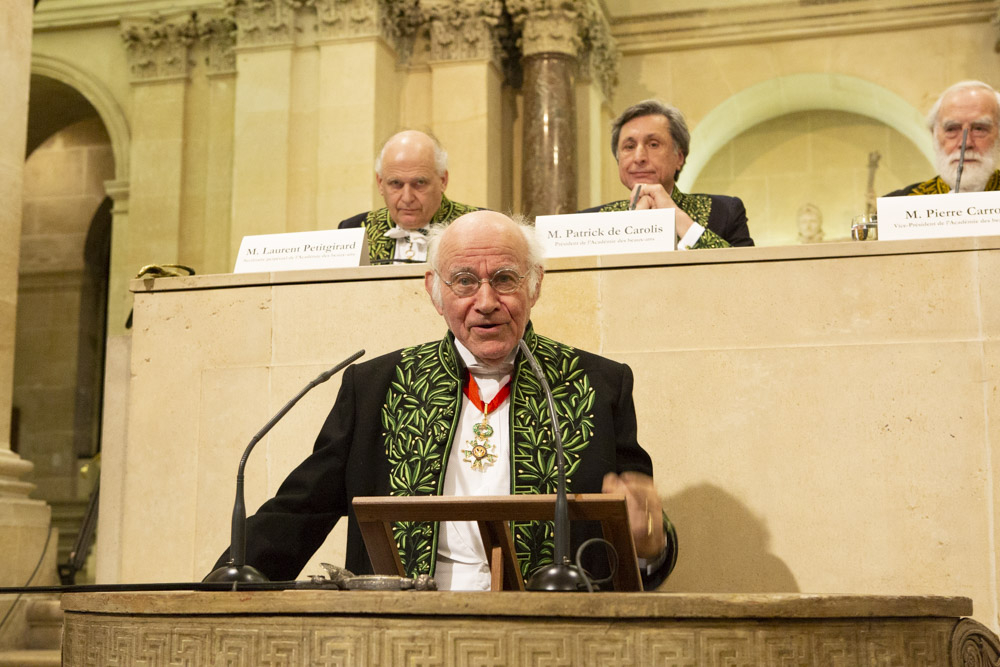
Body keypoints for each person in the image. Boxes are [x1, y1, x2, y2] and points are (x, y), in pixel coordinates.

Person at [220, 211, 677, 590]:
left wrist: (650, 541)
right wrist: (226, 582)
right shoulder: (375, 386)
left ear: (535, 284)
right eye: (463, 281)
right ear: (434, 291)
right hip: (399, 638)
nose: (486, 301)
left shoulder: (597, 384)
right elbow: (299, 511)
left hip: (552, 635)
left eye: (504, 278)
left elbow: (643, 532)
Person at [582, 99, 754, 249]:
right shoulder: (587, 222)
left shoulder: (725, 212)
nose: (639, 157)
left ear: (679, 157)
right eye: (629, 147)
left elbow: (749, 275)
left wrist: (675, 215)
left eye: (653, 144)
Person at [338, 130, 480, 263]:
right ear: (380, 183)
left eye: (420, 183)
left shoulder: (480, 227)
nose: (407, 198)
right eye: (395, 183)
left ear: (443, 180)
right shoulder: (354, 231)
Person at [885, 80, 1000, 196]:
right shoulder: (901, 205)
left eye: (979, 129)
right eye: (951, 129)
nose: (965, 143)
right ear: (934, 136)